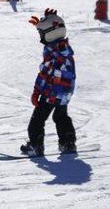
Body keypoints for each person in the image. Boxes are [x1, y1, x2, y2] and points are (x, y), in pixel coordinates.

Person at [21, 8, 77, 156]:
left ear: (50, 34)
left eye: (41, 34)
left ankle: (35, 146)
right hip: (65, 92)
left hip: (52, 92)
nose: (40, 38)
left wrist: (36, 92)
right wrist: (45, 25)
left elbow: (44, 75)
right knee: (60, 116)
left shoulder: (52, 52)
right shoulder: (65, 49)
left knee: (38, 119)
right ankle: (68, 143)